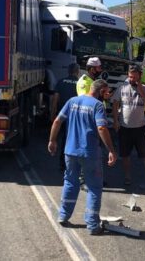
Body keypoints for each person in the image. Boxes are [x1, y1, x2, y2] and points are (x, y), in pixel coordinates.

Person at [48, 79, 117, 235]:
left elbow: (58, 120)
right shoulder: (97, 105)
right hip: (89, 152)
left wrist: (52, 140)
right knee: (94, 187)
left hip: (70, 151)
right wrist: (111, 150)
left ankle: (63, 215)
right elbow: (101, 127)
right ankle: (92, 225)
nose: (107, 96)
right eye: (106, 93)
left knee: (70, 182)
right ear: (99, 91)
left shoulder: (72, 101)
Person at [111, 64, 145, 188]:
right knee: (125, 155)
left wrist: (141, 90)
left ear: (140, 76)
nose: (132, 79)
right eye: (130, 77)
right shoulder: (122, 88)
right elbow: (115, 104)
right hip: (125, 128)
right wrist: (115, 120)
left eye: (134, 77)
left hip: (140, 128)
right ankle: (127, 177)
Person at [53, 63, 80, 172]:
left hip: (62, 115)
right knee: (71, 139)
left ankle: (62, 163)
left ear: (68, 71)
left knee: (63, 138)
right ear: (77, 72)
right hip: (74, 117)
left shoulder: (61, 82)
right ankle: (70, 163)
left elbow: (55, 99)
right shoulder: (79, 84)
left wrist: (53, 113)